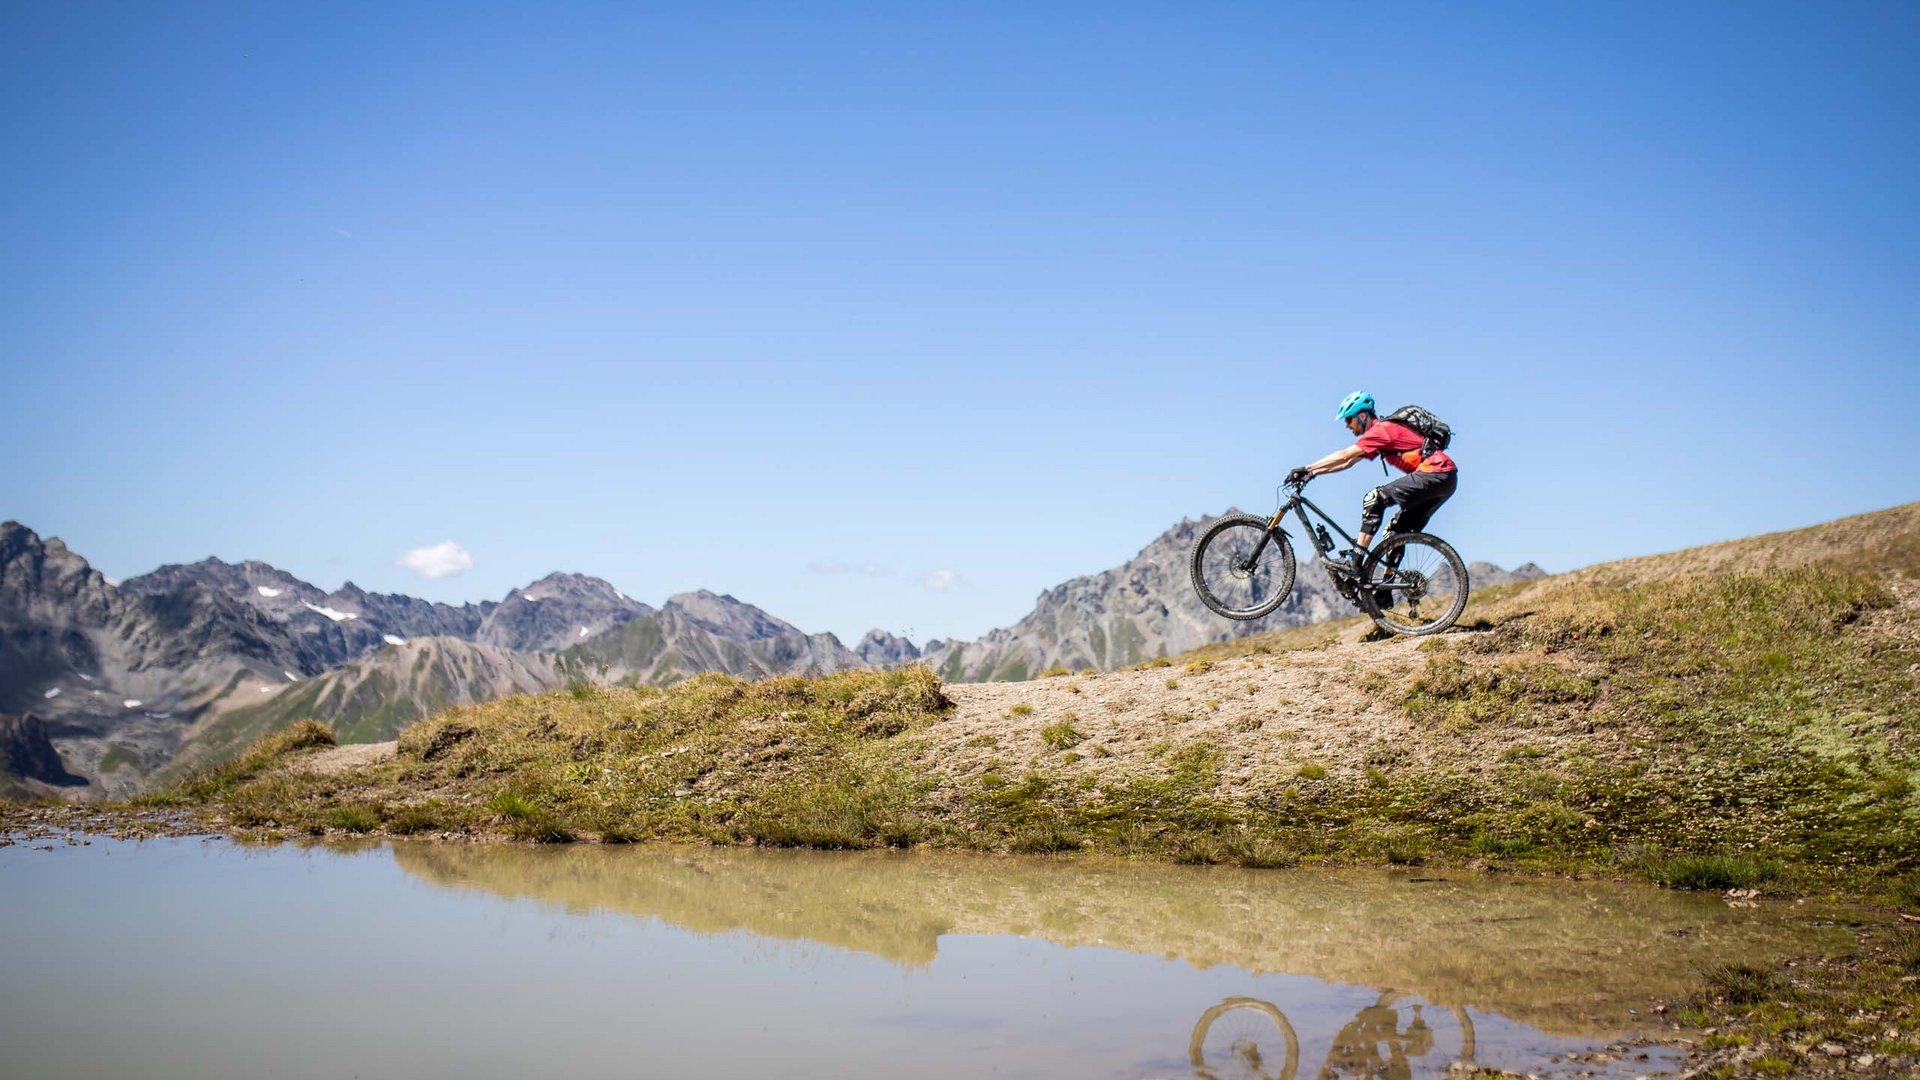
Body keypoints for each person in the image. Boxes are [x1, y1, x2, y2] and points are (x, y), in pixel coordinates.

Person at [1284, 391, 1457, 578]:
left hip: (1435, 472)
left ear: (1362, 415)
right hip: (1445, 479)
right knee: (1395, 532)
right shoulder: (1380, 434)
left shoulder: (1381, 430)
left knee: (1374, 498)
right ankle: (1386, 587)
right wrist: (1313, 473)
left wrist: (1306, 467)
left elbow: (1344, 455)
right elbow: (1347, 462)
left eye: (1348, 419)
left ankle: (1355, 561)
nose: (1347, 426)